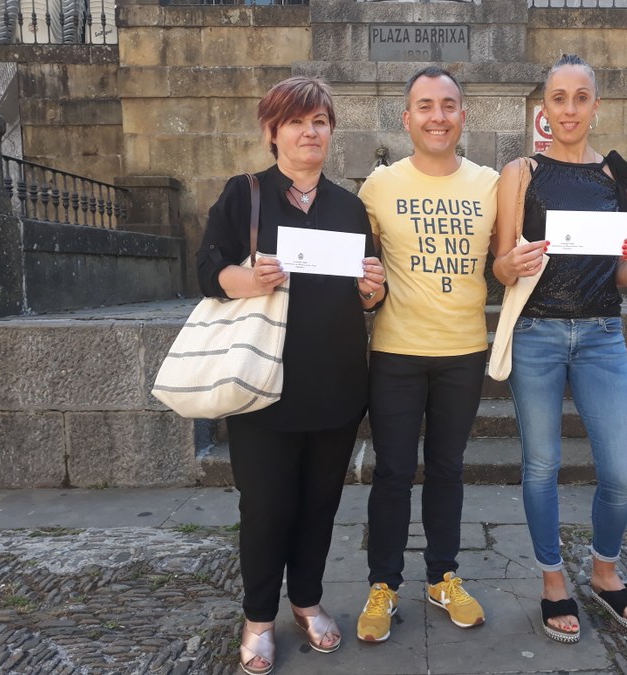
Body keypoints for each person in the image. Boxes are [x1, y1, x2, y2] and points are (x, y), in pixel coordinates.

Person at [195, 76, 386, 674]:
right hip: (262, 385)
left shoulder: (349, 206)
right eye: (298, 121)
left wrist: (371, 293)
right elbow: (206, 270)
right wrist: (248, 278)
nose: (311, 131)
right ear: (272, 131)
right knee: (267, 504)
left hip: (334, 385)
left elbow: (365, 294)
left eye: (321, 122)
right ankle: (257, 615)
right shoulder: (245, 195)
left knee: (320, 503)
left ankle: (305, 599)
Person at [492, 54, 627, 643]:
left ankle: (605, 572)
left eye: (580, 97)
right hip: (537, 331)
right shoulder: (521, 172)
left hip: (601, 334)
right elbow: (500, 265)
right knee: (541, 466)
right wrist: (508, 264)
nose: (569, 109)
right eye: (558, 98)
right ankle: (552, 581)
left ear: (596, 105)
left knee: (620, 471)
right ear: (545, 106)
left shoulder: (624, 178)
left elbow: (619, 276)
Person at [354, 66, 499, 643]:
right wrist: (366, 291)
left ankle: (443, 576)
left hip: (463, 351)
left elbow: (511, 255)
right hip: (396, 351)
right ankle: (382, 585)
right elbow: (361, 273)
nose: (437, 116)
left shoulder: (492, 183)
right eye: (424, 106)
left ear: (463, 115)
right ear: (406, 118)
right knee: (392, 473)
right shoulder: (378, 187)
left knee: (446, 470)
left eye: (447, 105)